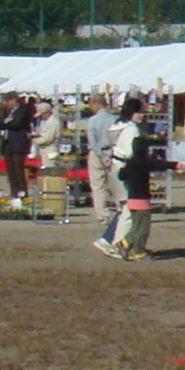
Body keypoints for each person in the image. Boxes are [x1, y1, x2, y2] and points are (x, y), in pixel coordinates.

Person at [97, 99, 159, 259]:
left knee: (123, 206)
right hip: (125, 166)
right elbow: (132, 152)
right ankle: (117, 244)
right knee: (128, 208)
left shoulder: (116, 126)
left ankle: (108, 239)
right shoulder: (132, 129)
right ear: (133, 112)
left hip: (115, 166)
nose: (142, 115)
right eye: (139, 112)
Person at [80, 97, 120, 233]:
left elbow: (92, 141)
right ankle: (120, 211)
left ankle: (102, 216)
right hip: (113, 153)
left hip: (96, 154)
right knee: (116, 185)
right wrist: (109, 155)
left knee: (98, 186)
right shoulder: (115, 119)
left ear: (96, 104)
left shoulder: (92, 120)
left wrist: (101, 155)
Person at [0, 95, 35, 198]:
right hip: (8, 143)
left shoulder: (23, 110)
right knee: (10, 169)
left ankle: (22, 191)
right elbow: (0, 123)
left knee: (18, 168)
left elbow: (16, 123)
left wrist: (7, 123)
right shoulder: (8, 112)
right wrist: (6, 122)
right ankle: (14, 191)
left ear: (14, 100)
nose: (7, 104)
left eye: (8, 101)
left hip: (18, 143)